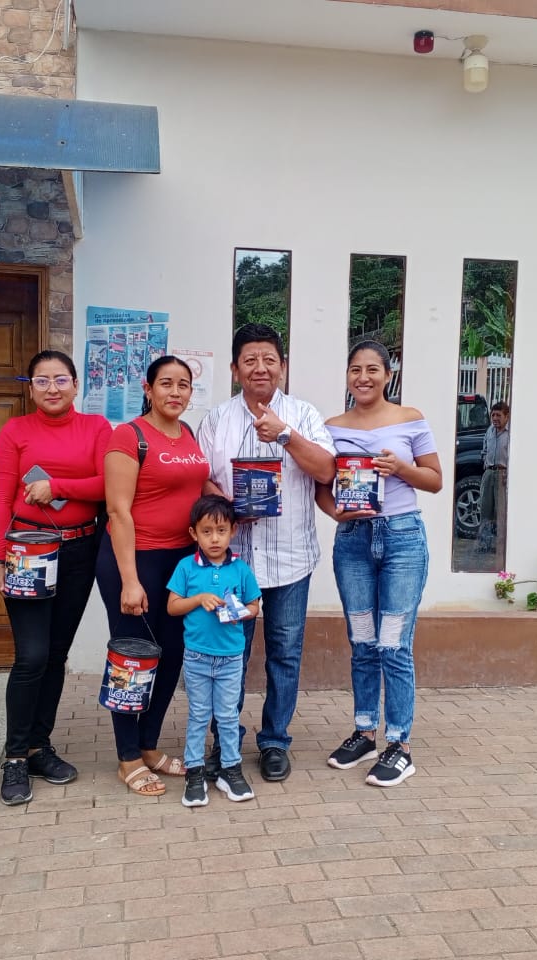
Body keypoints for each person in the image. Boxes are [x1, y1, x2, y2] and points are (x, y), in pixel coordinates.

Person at [197, 322, 336, 782]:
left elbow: (327, 470)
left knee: (284, 653)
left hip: (290, 560)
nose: (260, 368)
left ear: (283, 366)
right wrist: (227, 508)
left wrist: (285, 435)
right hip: (231, 564)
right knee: (227, 654)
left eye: (269, 360)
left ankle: (275, 740)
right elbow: (201, 480)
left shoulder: (304, 414)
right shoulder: (216, 420)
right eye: (250, 360)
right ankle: (226, 740)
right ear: (235, 369)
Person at [0, 350, 112, 806]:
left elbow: (109, 483)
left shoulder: (97, 428)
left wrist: (57, 486)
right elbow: (0, 496)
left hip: (80, 550)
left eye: (61, 379)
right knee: (31, 656)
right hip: (26, 551)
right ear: (30, 388)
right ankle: (15, 757)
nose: (52, 388)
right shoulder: (15, 431)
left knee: (56, 653)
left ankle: (39, 747)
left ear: (76, 385)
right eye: (41, 381)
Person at [316, 340, 442, 787]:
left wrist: (400, 468)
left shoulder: (410, 418)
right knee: (362, 640)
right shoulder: (331, 426)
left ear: (388, 375)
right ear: (347, 376)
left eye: (372, 369)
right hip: (353, 541)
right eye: (355, 369)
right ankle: (364, 732)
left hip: (402, 539)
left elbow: (435, 480)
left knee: (394, 644)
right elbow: (321, 485)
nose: (363, 377)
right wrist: (336, 514)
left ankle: (399, 745)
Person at [97, 355, 211, 796]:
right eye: (166, 383)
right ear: (148, 389)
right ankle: (127, 757)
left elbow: (195, 486)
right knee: (133, 659)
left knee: (172, 654)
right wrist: (130, 580)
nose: (175, 392)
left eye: (183, 384)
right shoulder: (129, 436)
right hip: (135, 560)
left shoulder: (188, 434)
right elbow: (117, 510)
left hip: (181, 562)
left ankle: (148, 744)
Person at [167, 494, 262, 807]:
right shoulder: (186, 567)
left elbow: (254, 606)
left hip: (231, 658)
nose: (215, 538)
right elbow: (172, 606)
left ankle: (230, 770)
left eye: (221, 531)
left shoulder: (241, 569)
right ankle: (194, 772)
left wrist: (240, 613)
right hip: (196, 656)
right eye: (206, 532)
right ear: (193, 533)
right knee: (198, 715)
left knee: (227, 715)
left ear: (233, 531)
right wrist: (199, 599)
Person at [480, 401, 510, 550]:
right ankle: (484, 544)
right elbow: (484, 449)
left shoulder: (511, 433)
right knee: (485, 510)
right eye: (493, 415)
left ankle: (501, 546)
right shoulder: (490, 430)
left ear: (506, 416)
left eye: (499, 415)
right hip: (489, 473)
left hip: (503, 475)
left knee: (500, 512)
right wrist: (485, 464)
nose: (495, 418)